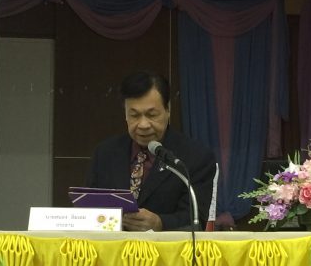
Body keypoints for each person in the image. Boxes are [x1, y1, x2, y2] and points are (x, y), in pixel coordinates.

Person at [86, 71, 217, 231]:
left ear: (167, 109)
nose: (143, 125)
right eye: (134, 115)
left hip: (166, 246)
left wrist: (160, 223)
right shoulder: (105, 153)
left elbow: (196, 219)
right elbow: (88, 209)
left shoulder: (196, 157)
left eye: (152, 115)